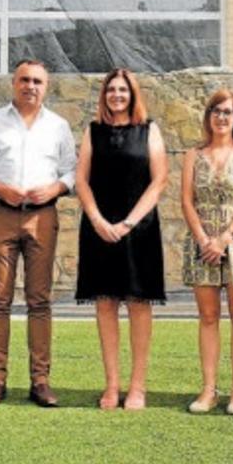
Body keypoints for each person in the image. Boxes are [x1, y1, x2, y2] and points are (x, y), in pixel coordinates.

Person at [0, 59, 76, 407]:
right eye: (24, 80)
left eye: (37, 81)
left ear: (47, 86)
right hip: (1, 214)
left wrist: (56, 188)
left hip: (42, 217)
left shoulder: (58, 126)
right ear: (13, 83)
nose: (30, 86)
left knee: (39, 301)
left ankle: (40, 380)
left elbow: (72, 171)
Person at [75, 69, 168, 411]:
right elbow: (81, 181)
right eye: (111, 89)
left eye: (123, 90)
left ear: (132, 94)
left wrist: (129, 222)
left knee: (139, 304)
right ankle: (112, 386)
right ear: (104, 94)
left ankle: (138, 387)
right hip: (99, 228)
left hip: (138, 229)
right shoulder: (93, 131)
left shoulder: (149, 130)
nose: (116, 95)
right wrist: (98, 220)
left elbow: (158, 182)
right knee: (105, 304)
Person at [180, 89, 233, 416]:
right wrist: (204, 240)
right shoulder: (193, 155)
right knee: (208, 316)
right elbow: (187, 201)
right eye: (216, 111)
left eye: (228, 112)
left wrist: (224, 238)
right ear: (208, 116)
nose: (222, 117)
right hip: (202, 243)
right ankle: (209, 389)